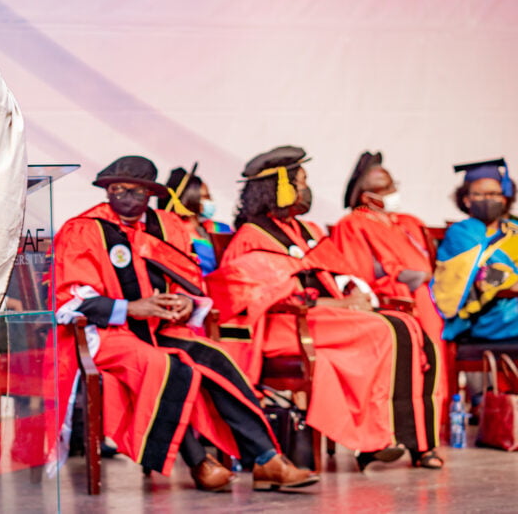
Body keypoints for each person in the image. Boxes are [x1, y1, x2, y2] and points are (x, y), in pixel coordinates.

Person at [52, 155, 318, 493]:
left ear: (150, 193)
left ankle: (267, 460)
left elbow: (191, 282)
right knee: (172, 369)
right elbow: (71, 299)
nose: (124, 196)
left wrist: (185, 303)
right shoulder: (84, 229)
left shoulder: (167, 227)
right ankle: (199, 464)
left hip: (163, 329)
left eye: (135, 190)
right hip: (109, 334)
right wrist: (132, 307)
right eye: (116, 189)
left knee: (217, 360)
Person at [208, 146, 442, 471]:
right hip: (283, 327)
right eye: (301, 182)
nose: (307, 190)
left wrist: (352, 291)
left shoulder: (308, 231)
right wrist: (338, 304)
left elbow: (337, 272)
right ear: (280, 188)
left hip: (327, 322)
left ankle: (399, 439)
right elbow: (259, 297)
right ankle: (381, 438)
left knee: (408, 326)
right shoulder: (252, 237)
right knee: (384, 329)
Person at [330, 151, 445, 366]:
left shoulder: (408, 222)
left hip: (431, 294)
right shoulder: (352, 225)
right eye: (385, 189)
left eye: (393, 186)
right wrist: (412, 278)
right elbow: (359, 277)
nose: (393, 193)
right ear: (367, 197)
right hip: (395, 299)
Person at [431, 158, 518, 341]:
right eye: (479, 194)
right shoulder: (461, 233)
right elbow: (471, 277)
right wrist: (511, 281)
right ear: (466, 199)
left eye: (494, 193)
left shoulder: (514, 230)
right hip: (487, 315)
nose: (488, 199)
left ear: (504, 198)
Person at [157, 164, 232, 275]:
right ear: (190, 199)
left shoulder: (221, 229)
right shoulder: (174, 237)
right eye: (205, 197)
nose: (210, 201)